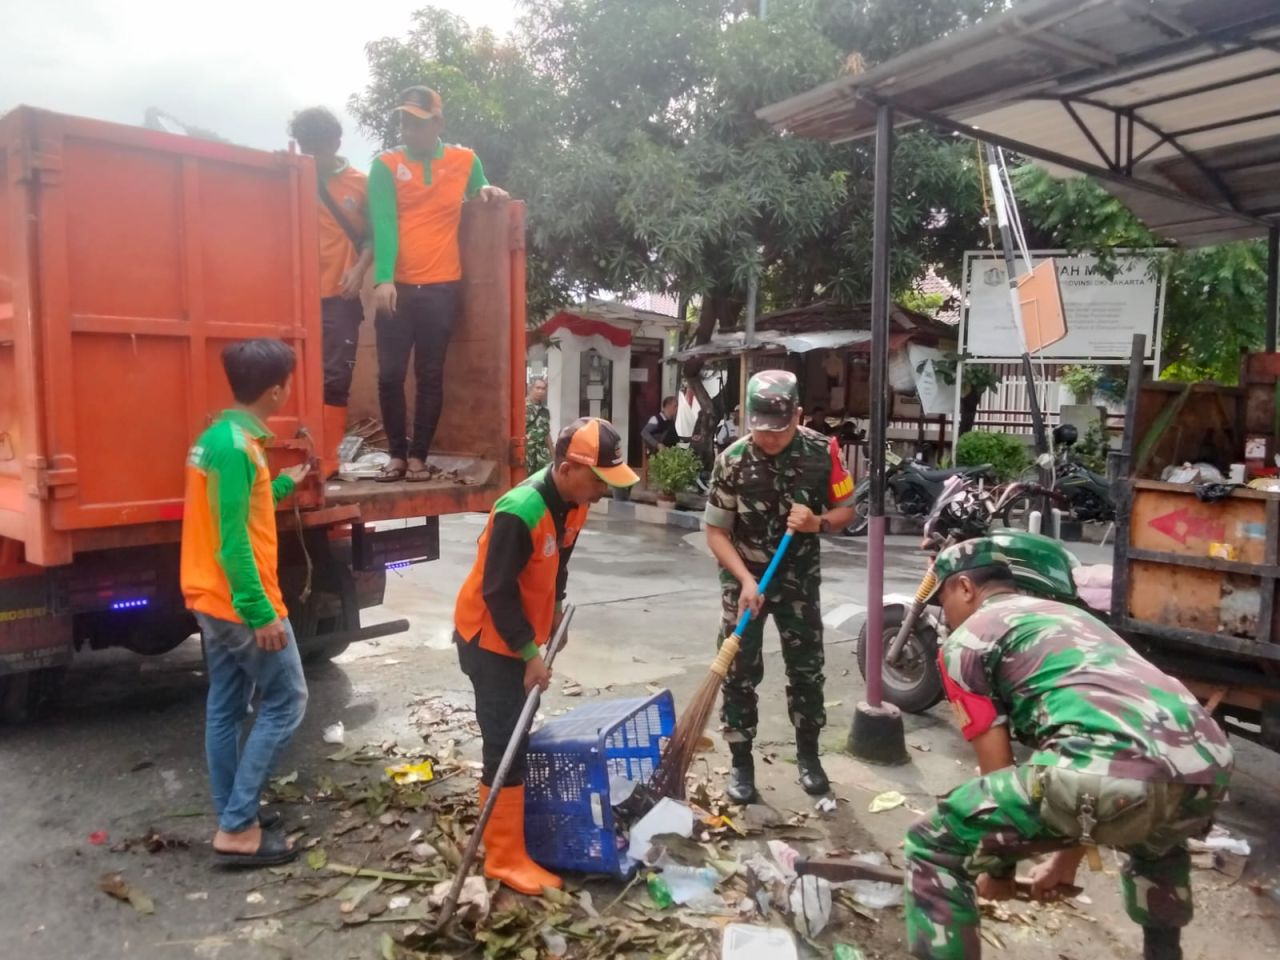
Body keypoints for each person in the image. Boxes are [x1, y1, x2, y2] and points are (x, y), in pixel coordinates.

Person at [904, 538, 1234, 960]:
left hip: (1104, 773)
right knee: (1157, 841)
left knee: (933, 841)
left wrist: (999, 870)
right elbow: (1089, 750)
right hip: (1206, 769)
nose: (942, 614)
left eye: (942, 598)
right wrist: (1064, 863)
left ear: (965, 587)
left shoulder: (969, 641)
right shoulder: (1071, 617)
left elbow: (998, 770)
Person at [453, 418, 638, 894]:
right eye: (598, 480)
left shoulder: (574, 503)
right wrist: (530, 654)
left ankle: (510, 837)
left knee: (518, 733)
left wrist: (554, 614)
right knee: (506, 741)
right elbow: (497, 591)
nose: (601, 492)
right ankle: (502, 857)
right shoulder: (521, 510)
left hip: (521, 639)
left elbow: (560, 565)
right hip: (490, 640)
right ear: (566, 467)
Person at [180, 339, 311, 868]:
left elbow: (238, 511)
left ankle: (237, 811)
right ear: (277, 389)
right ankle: (237, 828)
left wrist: (281, 484)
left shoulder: (218, 439)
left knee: (227, 707)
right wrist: (261, 614)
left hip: (209, 596)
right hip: (239, 603)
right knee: (288, 700)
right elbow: (232, 540)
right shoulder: (238, 448)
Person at [704, 370, 856, 802]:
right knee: (738, 673)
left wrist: (817, 522)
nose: (769, 439)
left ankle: (809, 757)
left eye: (780, 429)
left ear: (799, 416)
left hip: (799, 582)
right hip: (745, 583)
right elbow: (715, 532)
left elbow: (847, 509)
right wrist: (746, 579)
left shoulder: (823, 453)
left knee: (806, 670)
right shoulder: (732, 460)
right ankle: (741, 764)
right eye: (760, 429)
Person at [369, 86, 508, 483]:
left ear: (438, 123)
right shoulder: (385, 164)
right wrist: (383, 278)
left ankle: (418, 457)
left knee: (430, 374)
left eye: (418, 122)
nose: (409, 129)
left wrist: (485, 190)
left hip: (441, 288)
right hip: (395, 288)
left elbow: (478, 188)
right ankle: (396, 454)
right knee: (390, 375)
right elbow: (383, 222)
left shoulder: (464, 160)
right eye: (404, 121)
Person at [287, 106, 372, 479]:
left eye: (317, 148)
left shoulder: (359, 183)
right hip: (292, 297)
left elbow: (373, 236)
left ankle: (327, 461)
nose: (311, 156)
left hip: (339, 295)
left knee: (335, 377)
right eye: (305, 147)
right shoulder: (289, 176)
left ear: (336, 144)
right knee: (292, 376)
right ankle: (297, 457)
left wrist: (359, 270)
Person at [525, 377, 552, 473]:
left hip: (542, 456)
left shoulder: (545, 411)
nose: (541, 391)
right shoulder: (522, 408)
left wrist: (553, 456)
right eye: (538, 388)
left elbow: (547, 434)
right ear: (530, 388)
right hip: (526, 455)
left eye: (543, 389)